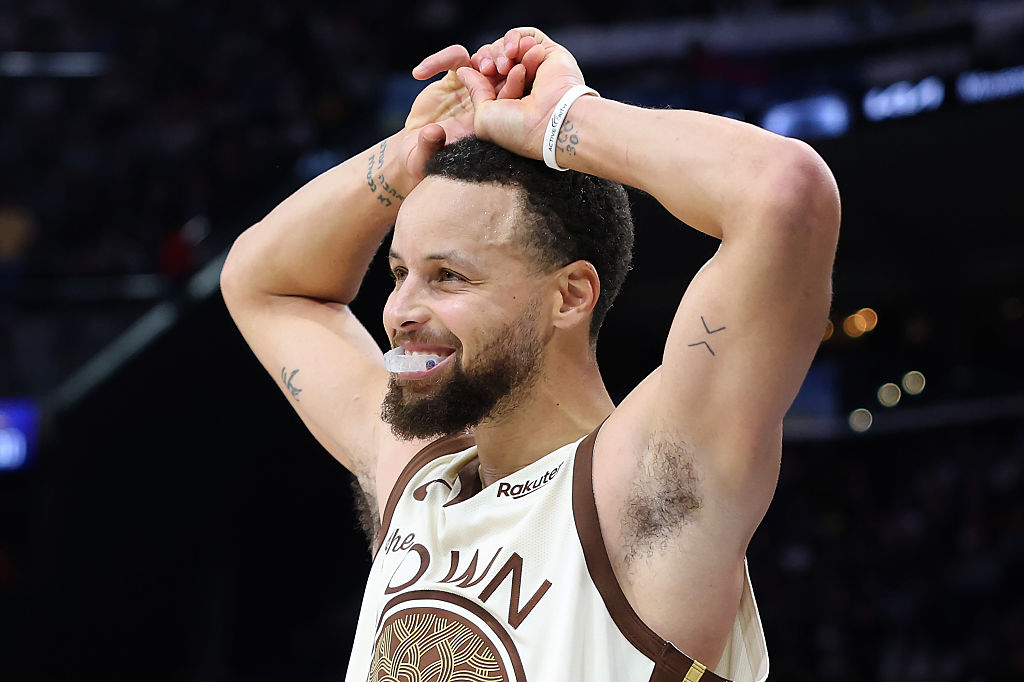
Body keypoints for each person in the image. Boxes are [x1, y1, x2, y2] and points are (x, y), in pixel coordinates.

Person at [220, 27, 839, 682]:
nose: (399, 311)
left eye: (448, 277)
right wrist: (412, 153)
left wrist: (561, 122)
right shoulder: (417, 480)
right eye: (399, 273)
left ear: (570, 296)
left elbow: (783, 194)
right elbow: (260, 283)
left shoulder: (640, 485)